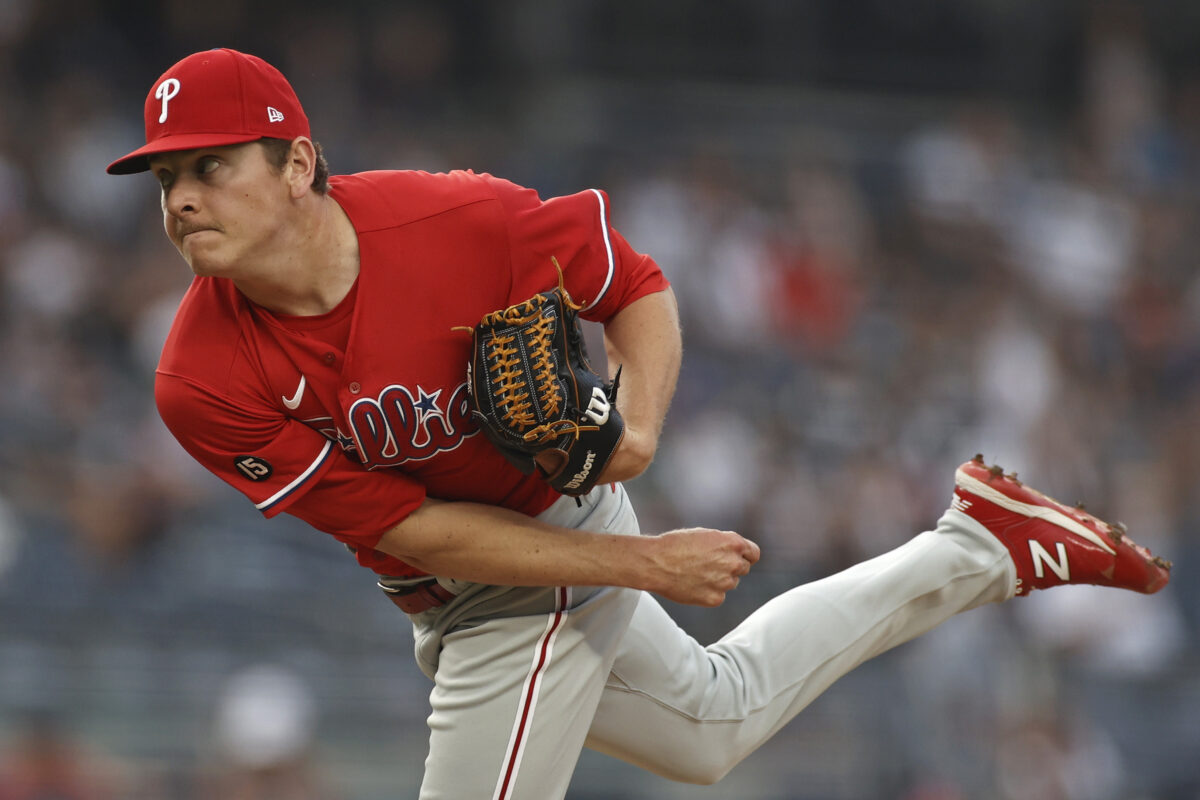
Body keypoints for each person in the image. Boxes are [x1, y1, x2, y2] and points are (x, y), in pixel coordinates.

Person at [107, 48, 1171, 799]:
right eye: (166, 178)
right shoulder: (198, 377)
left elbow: (637, 283)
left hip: (536, 569)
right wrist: (641, 560)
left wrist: (642, 430)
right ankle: (980, 544)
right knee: (713, 721)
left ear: (299, 164)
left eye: (211, 166)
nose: (182, 199)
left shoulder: (457, 220)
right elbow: (412, 531)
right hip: (461, 570)